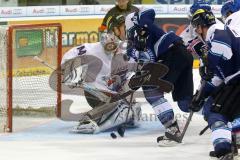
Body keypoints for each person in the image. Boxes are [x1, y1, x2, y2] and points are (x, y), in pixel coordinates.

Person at [60, 14, 141, 134]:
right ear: (115, 30)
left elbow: (140, 69)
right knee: (117, 103)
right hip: (95, 93)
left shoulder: (130, 50)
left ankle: (113, 114)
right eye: (125, 27)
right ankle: (87, 120)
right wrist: (71, 73)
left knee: (134, 110)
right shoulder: (94, 49)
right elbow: (69, 56)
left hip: (115, 92)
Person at [124, 9, 194, 143]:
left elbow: (149, 12)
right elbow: (142, 66)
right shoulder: (132, 46)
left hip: (174, 55)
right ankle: (219, 112)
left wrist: (142, 27)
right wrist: (135, 78)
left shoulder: (146, 26)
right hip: (182, 56)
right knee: (185, 103)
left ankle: (172, 128)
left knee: (150, 89)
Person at [190, 8, 240, 159]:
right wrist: (200, 95)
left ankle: (223, 147)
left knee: (214, 111)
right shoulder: (218, 34)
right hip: (234, 81)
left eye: (196, 29)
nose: (197, 33)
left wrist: (209, 63)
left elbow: (222, 48)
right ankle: (232, 139)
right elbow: (217, 77)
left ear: (200, 26)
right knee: (212, 105)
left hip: (237, 81)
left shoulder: (218, 32)